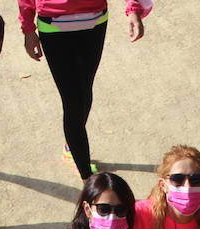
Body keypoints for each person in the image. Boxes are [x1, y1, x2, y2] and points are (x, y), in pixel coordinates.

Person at [18, 0, 151, 181]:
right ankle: (87, 179)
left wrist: (133, 10)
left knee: (85, 93)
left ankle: (72, 146)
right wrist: (28, 28)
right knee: (73, 102)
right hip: (54, 26)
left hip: (95, 22)